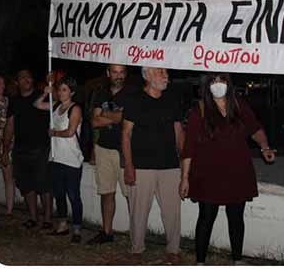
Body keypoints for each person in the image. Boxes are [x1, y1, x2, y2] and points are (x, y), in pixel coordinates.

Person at [180, 72, 276, 265]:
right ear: (207, 85)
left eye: (221, 79)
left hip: (237, 172)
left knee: (236, 217)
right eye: (213, 80)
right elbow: (189, 147)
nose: (218, 84)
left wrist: (265, 147)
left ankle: (237, 260)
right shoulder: (200, 110)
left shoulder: (239, 106)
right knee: (206, 217)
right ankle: (200, 262)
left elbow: (255, 129)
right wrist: (185, 178)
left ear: (228, 83)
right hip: (208, 174)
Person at [122, 67, 184, 260]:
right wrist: (128, 165)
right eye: (160, 72)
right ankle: (137, 249)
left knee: (172, 212)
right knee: (138, 212)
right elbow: (126, 134)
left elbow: (179, 132)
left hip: (170, 166)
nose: (165, 76)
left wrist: (184, 164)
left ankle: (173, 250)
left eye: (166, 72)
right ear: (147, 76)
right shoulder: (134, 100)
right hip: (141, 166)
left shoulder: (172, 100)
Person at [34, 76, 84, 243]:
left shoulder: (75, 109)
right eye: (59, 89)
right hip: (56, 158)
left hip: (71, 159)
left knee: (73, 195)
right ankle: (62, 225)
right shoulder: (55, 106)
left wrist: (54, 133)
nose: (61, 93)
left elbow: (70, 132)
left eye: (64, 90)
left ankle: (77, 229)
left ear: (72, 92)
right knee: (59, 194)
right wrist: (44, 93)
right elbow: (37, 105)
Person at [3, 69, 53, 230]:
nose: (26, 79)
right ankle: (33, 217)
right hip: (20, 149)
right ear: (17, 82)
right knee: (26, 186)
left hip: (41, 148)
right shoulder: (14, 101)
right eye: (22, 77)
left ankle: (47, 219)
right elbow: (9, 126)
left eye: (29, 76)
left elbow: (60, 103)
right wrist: (5, 150)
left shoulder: (43, 95)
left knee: (44, 185)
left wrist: (52, 84)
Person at [87, 64, 129, 245]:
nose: (118, 75)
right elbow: (94, 122)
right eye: (114, 72)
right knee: (106, 192)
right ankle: (107, 231)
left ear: (126, 73)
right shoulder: (100, 93)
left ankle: (136, 234)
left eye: (121, 72)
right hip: (103, 148)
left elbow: (125, 119)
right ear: (108, 73)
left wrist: (105, 114)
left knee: (131, 194)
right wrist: (116, 116)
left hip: (125, 150)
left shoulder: (132, 94)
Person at [0, 74, 14, 214]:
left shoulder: (7, 102)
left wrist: (7, 144)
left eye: (3, 83)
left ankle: (9, 210)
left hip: (4, 142)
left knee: (8, 177)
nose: (2, 85)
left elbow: (11, 124)